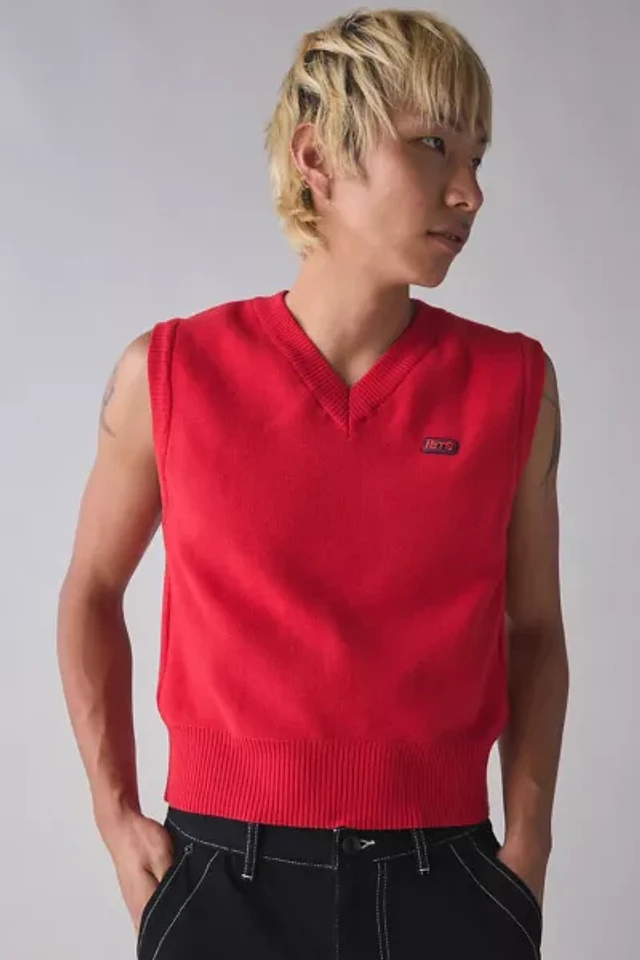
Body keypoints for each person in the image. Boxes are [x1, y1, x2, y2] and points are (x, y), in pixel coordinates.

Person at [57, 8, 569, 959]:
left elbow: (534, 627)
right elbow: (90, 589)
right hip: (220, 880)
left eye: (477, 158)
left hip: (449, 878)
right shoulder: (168, 373)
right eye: (433, 145)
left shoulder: (514, 385)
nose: (469, 191)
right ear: (316, 157)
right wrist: (114, 815)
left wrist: (528, 844)